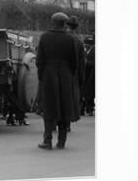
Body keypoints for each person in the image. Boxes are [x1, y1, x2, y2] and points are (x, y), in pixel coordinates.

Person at [36, 12, 78, 150]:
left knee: (49, 106)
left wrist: (42, 75)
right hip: (65, 75)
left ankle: (47, 140)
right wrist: (69, 74)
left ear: (52, 22)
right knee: (65, 106)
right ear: (64, 24)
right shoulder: (70, 39)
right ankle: (62, 141)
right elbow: (74, 62)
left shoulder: (44, 37)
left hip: (49, 74)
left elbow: (39, 61)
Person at [66, 16, 86, 128]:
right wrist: (81, 78)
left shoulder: (62, 37)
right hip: (74, 74)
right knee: (70, 99)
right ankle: (67, 124)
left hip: (62, 71)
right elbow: (82, 62)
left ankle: (54, 122)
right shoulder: (79, 41)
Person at [83, 36, 95, 115]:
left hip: (92, 75)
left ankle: (89, 109)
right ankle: (87, 108)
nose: (85, 45)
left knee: (90, 92)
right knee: (86, 92)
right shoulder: (85, 51)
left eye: (86, 43)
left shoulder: (94, 51)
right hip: (86, 74)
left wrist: (87, 62)